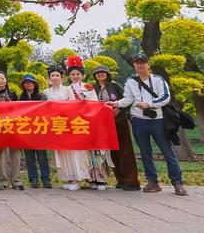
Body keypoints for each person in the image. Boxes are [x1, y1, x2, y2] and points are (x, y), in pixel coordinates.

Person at [107, 54, 188, 196]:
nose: (140, 65)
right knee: (145, 153)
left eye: (143, 63)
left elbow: (165, 97)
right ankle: (152, 181)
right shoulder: (130, 81)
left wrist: (149, 104)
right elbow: (128, 98)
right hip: (138, 120)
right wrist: (117, 103)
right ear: (134, 65)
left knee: (167, 151)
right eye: (137, 63)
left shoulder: (158, 80)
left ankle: (177, 182)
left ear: (148, 65)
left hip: (158, 119)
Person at [66, 56, 111, 191]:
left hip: (89, 122)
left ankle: (98, 179)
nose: (75, 76)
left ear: (83, 75)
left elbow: (95, 104)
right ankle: (80, 178)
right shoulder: (66, 89)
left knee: (94, 151)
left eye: (78, 74)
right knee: (78, 152)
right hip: (74, 123)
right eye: (73, 74)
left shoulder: (89, 88)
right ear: (69, 76)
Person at [93, 65, 140, 191]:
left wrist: (119, 110)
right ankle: (120, 179)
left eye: (103, 72)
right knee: (112, 151)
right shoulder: (93, 88)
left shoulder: (115, 86)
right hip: (103, 124)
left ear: (107, 74)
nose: (100, 74)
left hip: (119, 121)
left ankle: (131, 181)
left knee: (125, 150)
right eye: (97, 73)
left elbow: (127, 100)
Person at [43, 66, 90, 191]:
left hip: (69, 123)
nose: (55, 78)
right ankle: (68, 178)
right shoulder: (46, 92)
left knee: (73, 151)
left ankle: (77, 178)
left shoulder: (68, 90)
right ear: (49, 78)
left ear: (62, 78)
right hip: (56, 125)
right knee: (61, 152)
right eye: (52, 76)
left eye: (57, 75)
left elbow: (74, 106)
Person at [0, 71, 23, 190]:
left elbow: (19, 109)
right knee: (1, 155)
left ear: (6, 80)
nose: (0, 80)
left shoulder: (13, 94)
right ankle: (4, 181)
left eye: (2, 78)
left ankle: (17, 181)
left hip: (13, 126)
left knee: (15, 154)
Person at [18, 74, 51, 189]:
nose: (28, 84)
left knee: (42, 156)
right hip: (26, 130)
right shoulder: (21, 97)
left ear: (34, 84)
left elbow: (46, 110)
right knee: (29, 157)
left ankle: (46, 179)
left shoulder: (42, 96)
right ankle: (33, 179)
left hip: (39, 129)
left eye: (30, 82)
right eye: (26, 83)